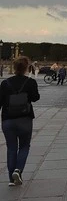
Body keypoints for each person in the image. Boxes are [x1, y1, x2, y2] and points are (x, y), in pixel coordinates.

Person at [1, 57, 40, 186]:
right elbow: (35, 98)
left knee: (11, 148)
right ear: (26, 68)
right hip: (25, 118)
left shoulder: (5, 83)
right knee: (24, 146)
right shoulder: (30, 82)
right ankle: (18, 170)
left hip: (8, 119)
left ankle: (12, 179)